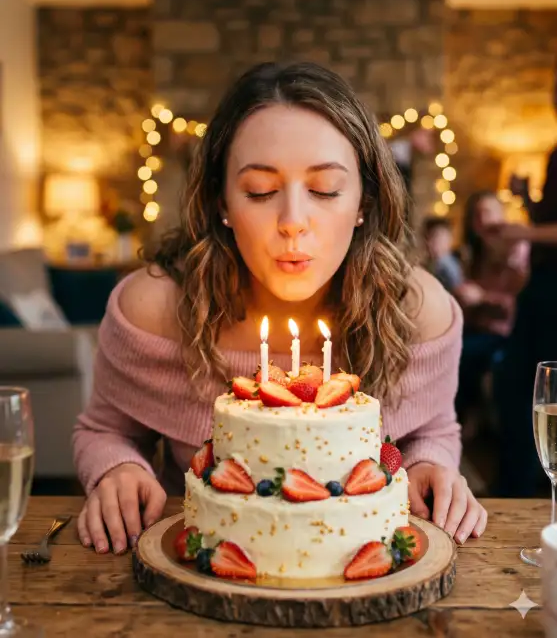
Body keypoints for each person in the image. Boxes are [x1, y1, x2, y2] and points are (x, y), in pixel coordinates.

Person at [72, 61, 487, 555]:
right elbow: (104, 430)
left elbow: (434, 429)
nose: (293, 221)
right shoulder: (154, 310)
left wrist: (429, 465)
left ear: (363, 202)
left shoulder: (418, 311)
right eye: (261, 191)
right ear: (221, 201)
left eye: (325, 190)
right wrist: (119, 469)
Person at [490, 146, 557, 496]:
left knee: (531, 386)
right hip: (542, 287)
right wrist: (527, 199)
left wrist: (523, 234)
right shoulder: (553, 154)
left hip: (551, 292)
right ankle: (515, 489)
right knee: (516, 384)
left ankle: (526, 492)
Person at [452, 191, 529, 439]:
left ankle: (463, 419)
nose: (482, 221)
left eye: (487, 212)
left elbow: (517, 306)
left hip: (505, 333)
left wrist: (482, 297)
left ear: (501, 214)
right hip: (475, 327)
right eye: (476, 216)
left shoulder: (517, 249)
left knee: (462, 352)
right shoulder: (477, 252)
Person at [421, 216, 463, 293]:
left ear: (449, 239)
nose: (429, 243)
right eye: (427, 237)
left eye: (436, 237)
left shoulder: (446, 265)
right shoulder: (433, 264)